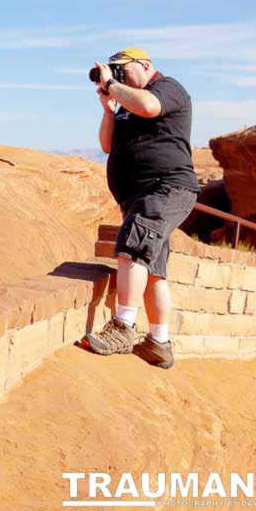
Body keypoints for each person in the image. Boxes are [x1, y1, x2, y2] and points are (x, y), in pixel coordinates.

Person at [83, 47, 199, 369]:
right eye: (114, 71)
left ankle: (122, 329)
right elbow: (107, 146)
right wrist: (109, 109)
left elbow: (150, 106)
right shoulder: (125, 106)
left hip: (166, 187)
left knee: (132, 247)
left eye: (122, 69)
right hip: (138, 194)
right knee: (153, 271)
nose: (117, 75)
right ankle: (159, 343)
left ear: (145, 66)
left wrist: (113, 86)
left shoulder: (166, 88)